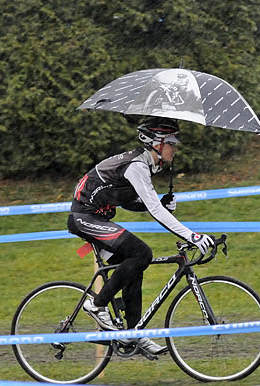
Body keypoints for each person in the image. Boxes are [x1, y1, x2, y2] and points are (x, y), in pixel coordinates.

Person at [67, 116, 214, 357]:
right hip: (84, 218)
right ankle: (96, 304)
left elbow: (133, 202)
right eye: (171, 143)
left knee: (134, 267)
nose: (175, 148)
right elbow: (154, 210)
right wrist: (192, 236)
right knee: (142, 253)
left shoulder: (143, 164)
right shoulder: (137, 165)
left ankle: (133, 333)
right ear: (156, 143)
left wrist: (161, 203)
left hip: (99, 218)